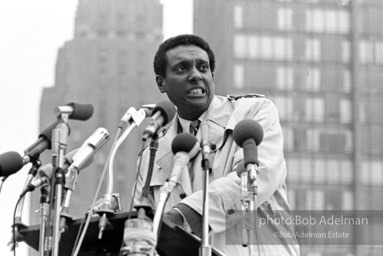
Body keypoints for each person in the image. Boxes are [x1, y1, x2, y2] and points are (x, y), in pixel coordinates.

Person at [133, 34, 300, 255]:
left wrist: (184, 213)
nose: (195, 75)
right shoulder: (151, 152)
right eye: (182, 69)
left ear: (212, 75)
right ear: (161, 82)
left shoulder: (254, 112)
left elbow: (256, 179)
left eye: (202, 68)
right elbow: (144, 235)